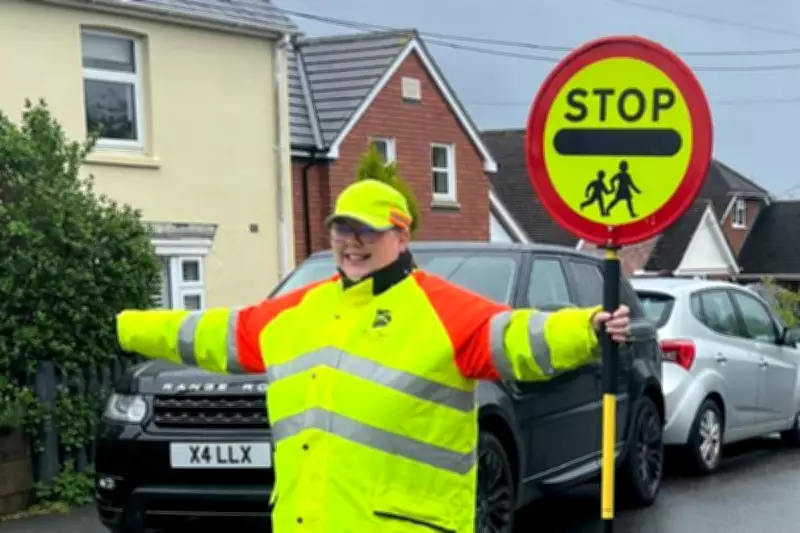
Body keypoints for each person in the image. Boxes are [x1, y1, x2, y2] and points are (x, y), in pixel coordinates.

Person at [116, 179, 631, 533]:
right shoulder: (297, 312)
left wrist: (586, 328)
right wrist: (124, 326)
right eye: (342, 230)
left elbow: (518, 336)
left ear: (401, 236)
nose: (352, 243)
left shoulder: (440, 309)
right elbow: (213, 332)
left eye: (368, 231)